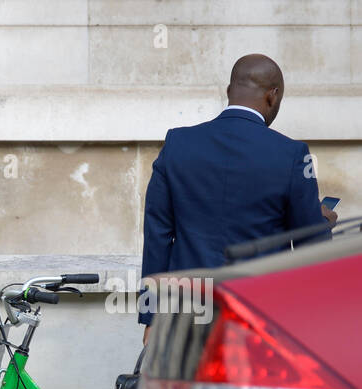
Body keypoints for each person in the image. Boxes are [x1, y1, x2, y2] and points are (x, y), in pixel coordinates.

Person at [138, 54, 337, 340]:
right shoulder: (292, 154)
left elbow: (157, 233)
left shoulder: (177, 143)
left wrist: (152, 317)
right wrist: (322, 223)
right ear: (273, 96)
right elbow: (309, 246)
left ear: (229, 91)